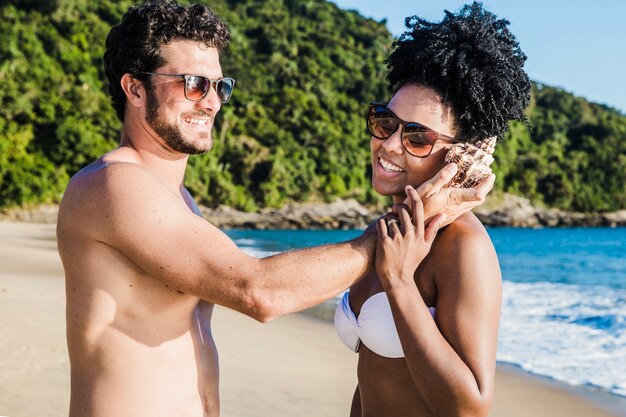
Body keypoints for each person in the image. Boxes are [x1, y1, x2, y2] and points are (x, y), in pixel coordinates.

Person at [55, 2, 494, 416]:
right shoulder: (114, 186)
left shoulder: (180, 202)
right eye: (192, 84)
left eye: (219, 86)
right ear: (134, 87)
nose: (211, 102)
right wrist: (398, 232)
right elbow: (257, 291)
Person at [334, 3, 531, 417]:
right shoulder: (387, 229)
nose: (388, 145)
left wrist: (400, 284)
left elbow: (471, 407)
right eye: (385, 122)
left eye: (417, 137)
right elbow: (370, 378)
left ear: (456, 156)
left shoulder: (463, 247)